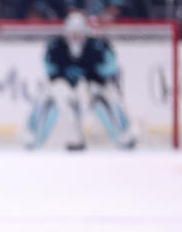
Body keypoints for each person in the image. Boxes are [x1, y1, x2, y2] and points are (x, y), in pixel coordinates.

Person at [25, 11, 135, 150]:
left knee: (109, 97)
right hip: (65, 90)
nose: (75, 37)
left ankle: (124, 134)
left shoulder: (97, 48)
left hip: (91, 89)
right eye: (72, 32)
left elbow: (109, 70)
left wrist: (92, 83)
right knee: (47, 97)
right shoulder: (56, 48)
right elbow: (51, 75)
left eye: (79, 32)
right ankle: (34, 135)